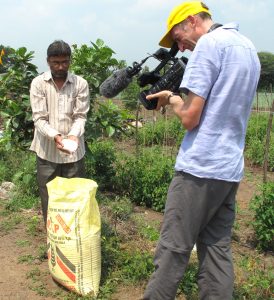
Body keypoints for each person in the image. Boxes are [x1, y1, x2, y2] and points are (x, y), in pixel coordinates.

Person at [143, 2, 260, 299]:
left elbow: (190, 118)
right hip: (229, 168)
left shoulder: (209, 45)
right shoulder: (247, 47)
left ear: (193, 20)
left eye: (179, 37)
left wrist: (170, 99)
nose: (180, 47)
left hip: (200, 168)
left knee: (173, 248)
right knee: (217, 249)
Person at [30, 40, 90, 224]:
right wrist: (55, 136)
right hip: (47, 152)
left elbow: (80, 116)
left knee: (73, 198)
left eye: (64, 62)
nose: (60, 66)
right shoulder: (39, 83)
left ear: (70, 61)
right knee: (49, 197)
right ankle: (53, 239)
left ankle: (72, 239)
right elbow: (39, 118)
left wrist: (72, 136)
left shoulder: (80, 83)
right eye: (56, 62)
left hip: (74, 154)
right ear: (48, 61)